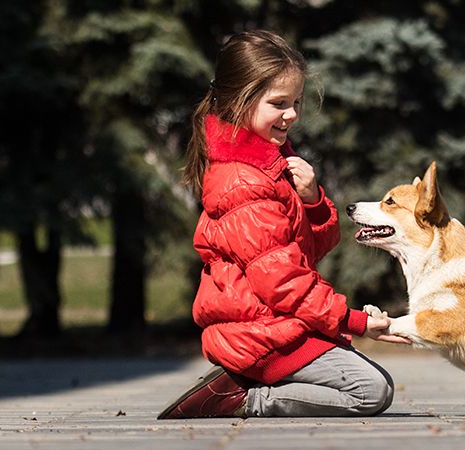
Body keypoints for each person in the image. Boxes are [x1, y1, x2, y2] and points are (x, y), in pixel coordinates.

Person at [158, 30, 408, 420]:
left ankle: (244, 383)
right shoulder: (243, 181)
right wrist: (354, 321)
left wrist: (312, 202)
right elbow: (283, 280)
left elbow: (305, 252)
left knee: (374, 384)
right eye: (279, 103)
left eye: (296, 102)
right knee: (371, 391)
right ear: (239, 102)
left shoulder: (270, 166)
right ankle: (240, 397)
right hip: (262, 335)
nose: (291, 114)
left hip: (279, 325)